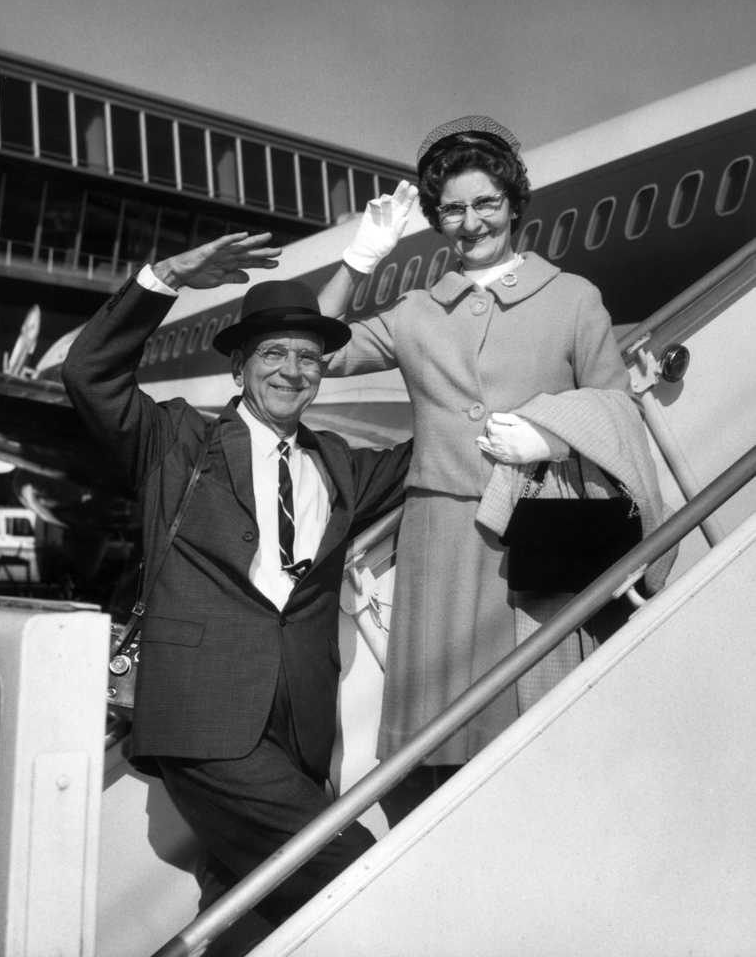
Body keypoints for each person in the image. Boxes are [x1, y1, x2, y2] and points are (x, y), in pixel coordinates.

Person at [62, 231, 413, 955]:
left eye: (309, 358)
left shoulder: (341, 463)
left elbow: (443, 442)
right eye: (274, 354)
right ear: (239, 365)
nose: (293, 371)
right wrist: (162, 278)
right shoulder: (177, 442)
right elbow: (89, 373)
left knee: (246, 907)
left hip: (301, 729)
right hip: (202, 721)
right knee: (355, 866)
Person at [318, 117, 672, 793]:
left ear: (513, 204)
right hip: (441, 545)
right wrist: (360, 261)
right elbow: (313, 350)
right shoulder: (416, 309)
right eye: (452, 208)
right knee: (441, 745)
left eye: (485, 203)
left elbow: (618, 409)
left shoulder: (572, 298)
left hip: (537, 531)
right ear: (435, 220)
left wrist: (553, 432)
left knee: (539, 729)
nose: (471, 222)